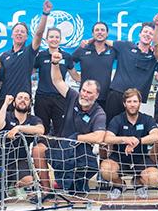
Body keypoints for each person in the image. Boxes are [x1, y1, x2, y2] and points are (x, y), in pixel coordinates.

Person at [31, 50, 106, 200]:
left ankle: (73, 187)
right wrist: (55, 63)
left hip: (81, 151)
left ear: (96, 95)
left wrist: (77, 137)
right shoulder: (73, 96)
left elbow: (98, 137)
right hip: (61, 144)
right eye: (83, 90)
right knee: (38, 149)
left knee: (76, 189)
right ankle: (47, 190)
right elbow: (57, 80)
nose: (85, 95)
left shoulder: (99, 113)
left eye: (89, 93)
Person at [100, 88, 158, 200]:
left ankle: (138, 182)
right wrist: (125, 139)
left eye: (135, 101)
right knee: (105, 169)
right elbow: (107, 138)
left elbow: (157, 136)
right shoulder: (117, 119)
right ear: (124, 104)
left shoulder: (147, 119)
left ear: (139, 103)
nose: (132, 105)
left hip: (140, 158)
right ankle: (119, 185)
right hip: (119, 157)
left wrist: (138, 140)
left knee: (154, 178)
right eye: (129, 102)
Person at [104, 14, 158, 122]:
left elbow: (157, 44)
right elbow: (103, 40)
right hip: (116, 94)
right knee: (110, 127)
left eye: (151, 33)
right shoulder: (125, 46)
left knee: (129, 130)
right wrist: (89, 41)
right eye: (145, 32)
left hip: (134, 99)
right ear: (140, 34)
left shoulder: (154, 55)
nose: (147, 35)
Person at [0, 0, 51, 102]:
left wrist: (45, 14)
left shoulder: (29, 51)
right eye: (17, 31)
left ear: (26, 37)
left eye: (23, 32)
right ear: (12, 35)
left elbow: (39, 34)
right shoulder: (3, 56)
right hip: (4, 101)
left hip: (22, 101)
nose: (19, 33)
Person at [34, 27, 81, 135]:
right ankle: (42, 151)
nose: (54, 39)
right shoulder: (40, 56)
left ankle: (58, 152)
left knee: (60, 130)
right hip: (42, 98)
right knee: (42, 131)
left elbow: (75, 76)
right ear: (46, 40)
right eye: (51, 37)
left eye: (57, 37)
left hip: (60, 98)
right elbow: (29, 72)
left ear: (60, 40)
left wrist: (91, 81)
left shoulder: (66, 57)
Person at [72, 21, 117, 111]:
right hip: (85, 97)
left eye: (102, 30)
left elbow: (128, 52)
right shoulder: (83, 49)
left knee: (102, 124)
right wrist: (76, 77)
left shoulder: (113, 51)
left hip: (105, 97)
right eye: (97, 30)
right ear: (92, 33)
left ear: (107, 33)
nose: (100, 32)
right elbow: (69, 63)